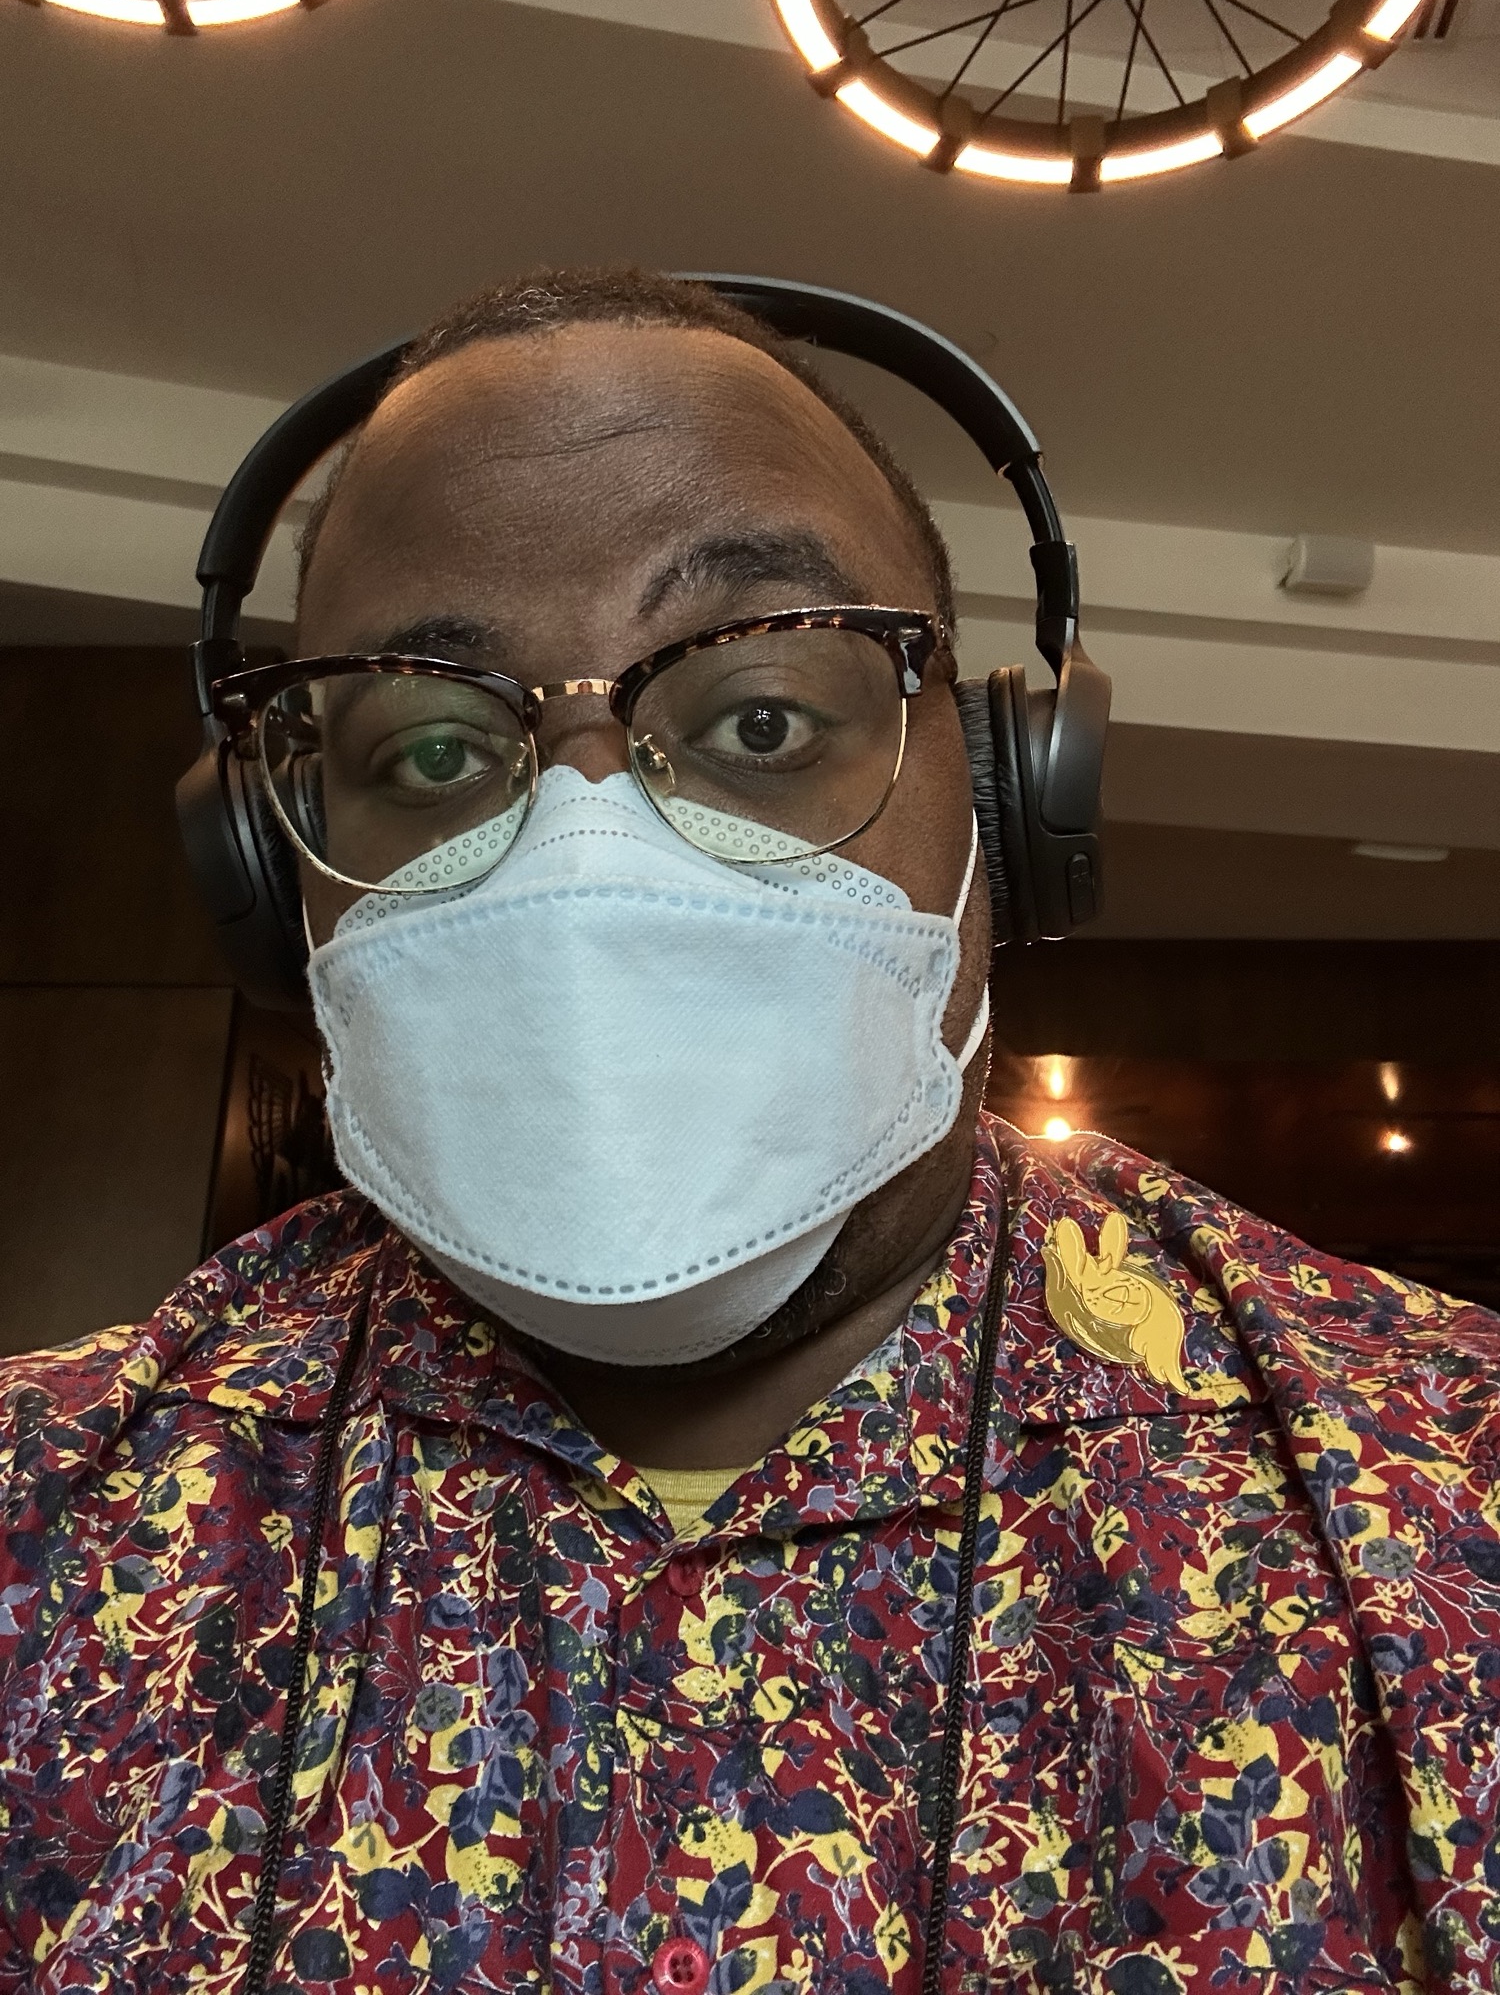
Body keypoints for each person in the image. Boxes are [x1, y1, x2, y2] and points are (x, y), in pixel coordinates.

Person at [0, 268, 1496, 1995]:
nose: (588, 856)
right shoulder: (50, 1520)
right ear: (278, 891)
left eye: (762, 719)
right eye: (433, 750)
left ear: (1006, 805)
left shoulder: (1442, 1493)